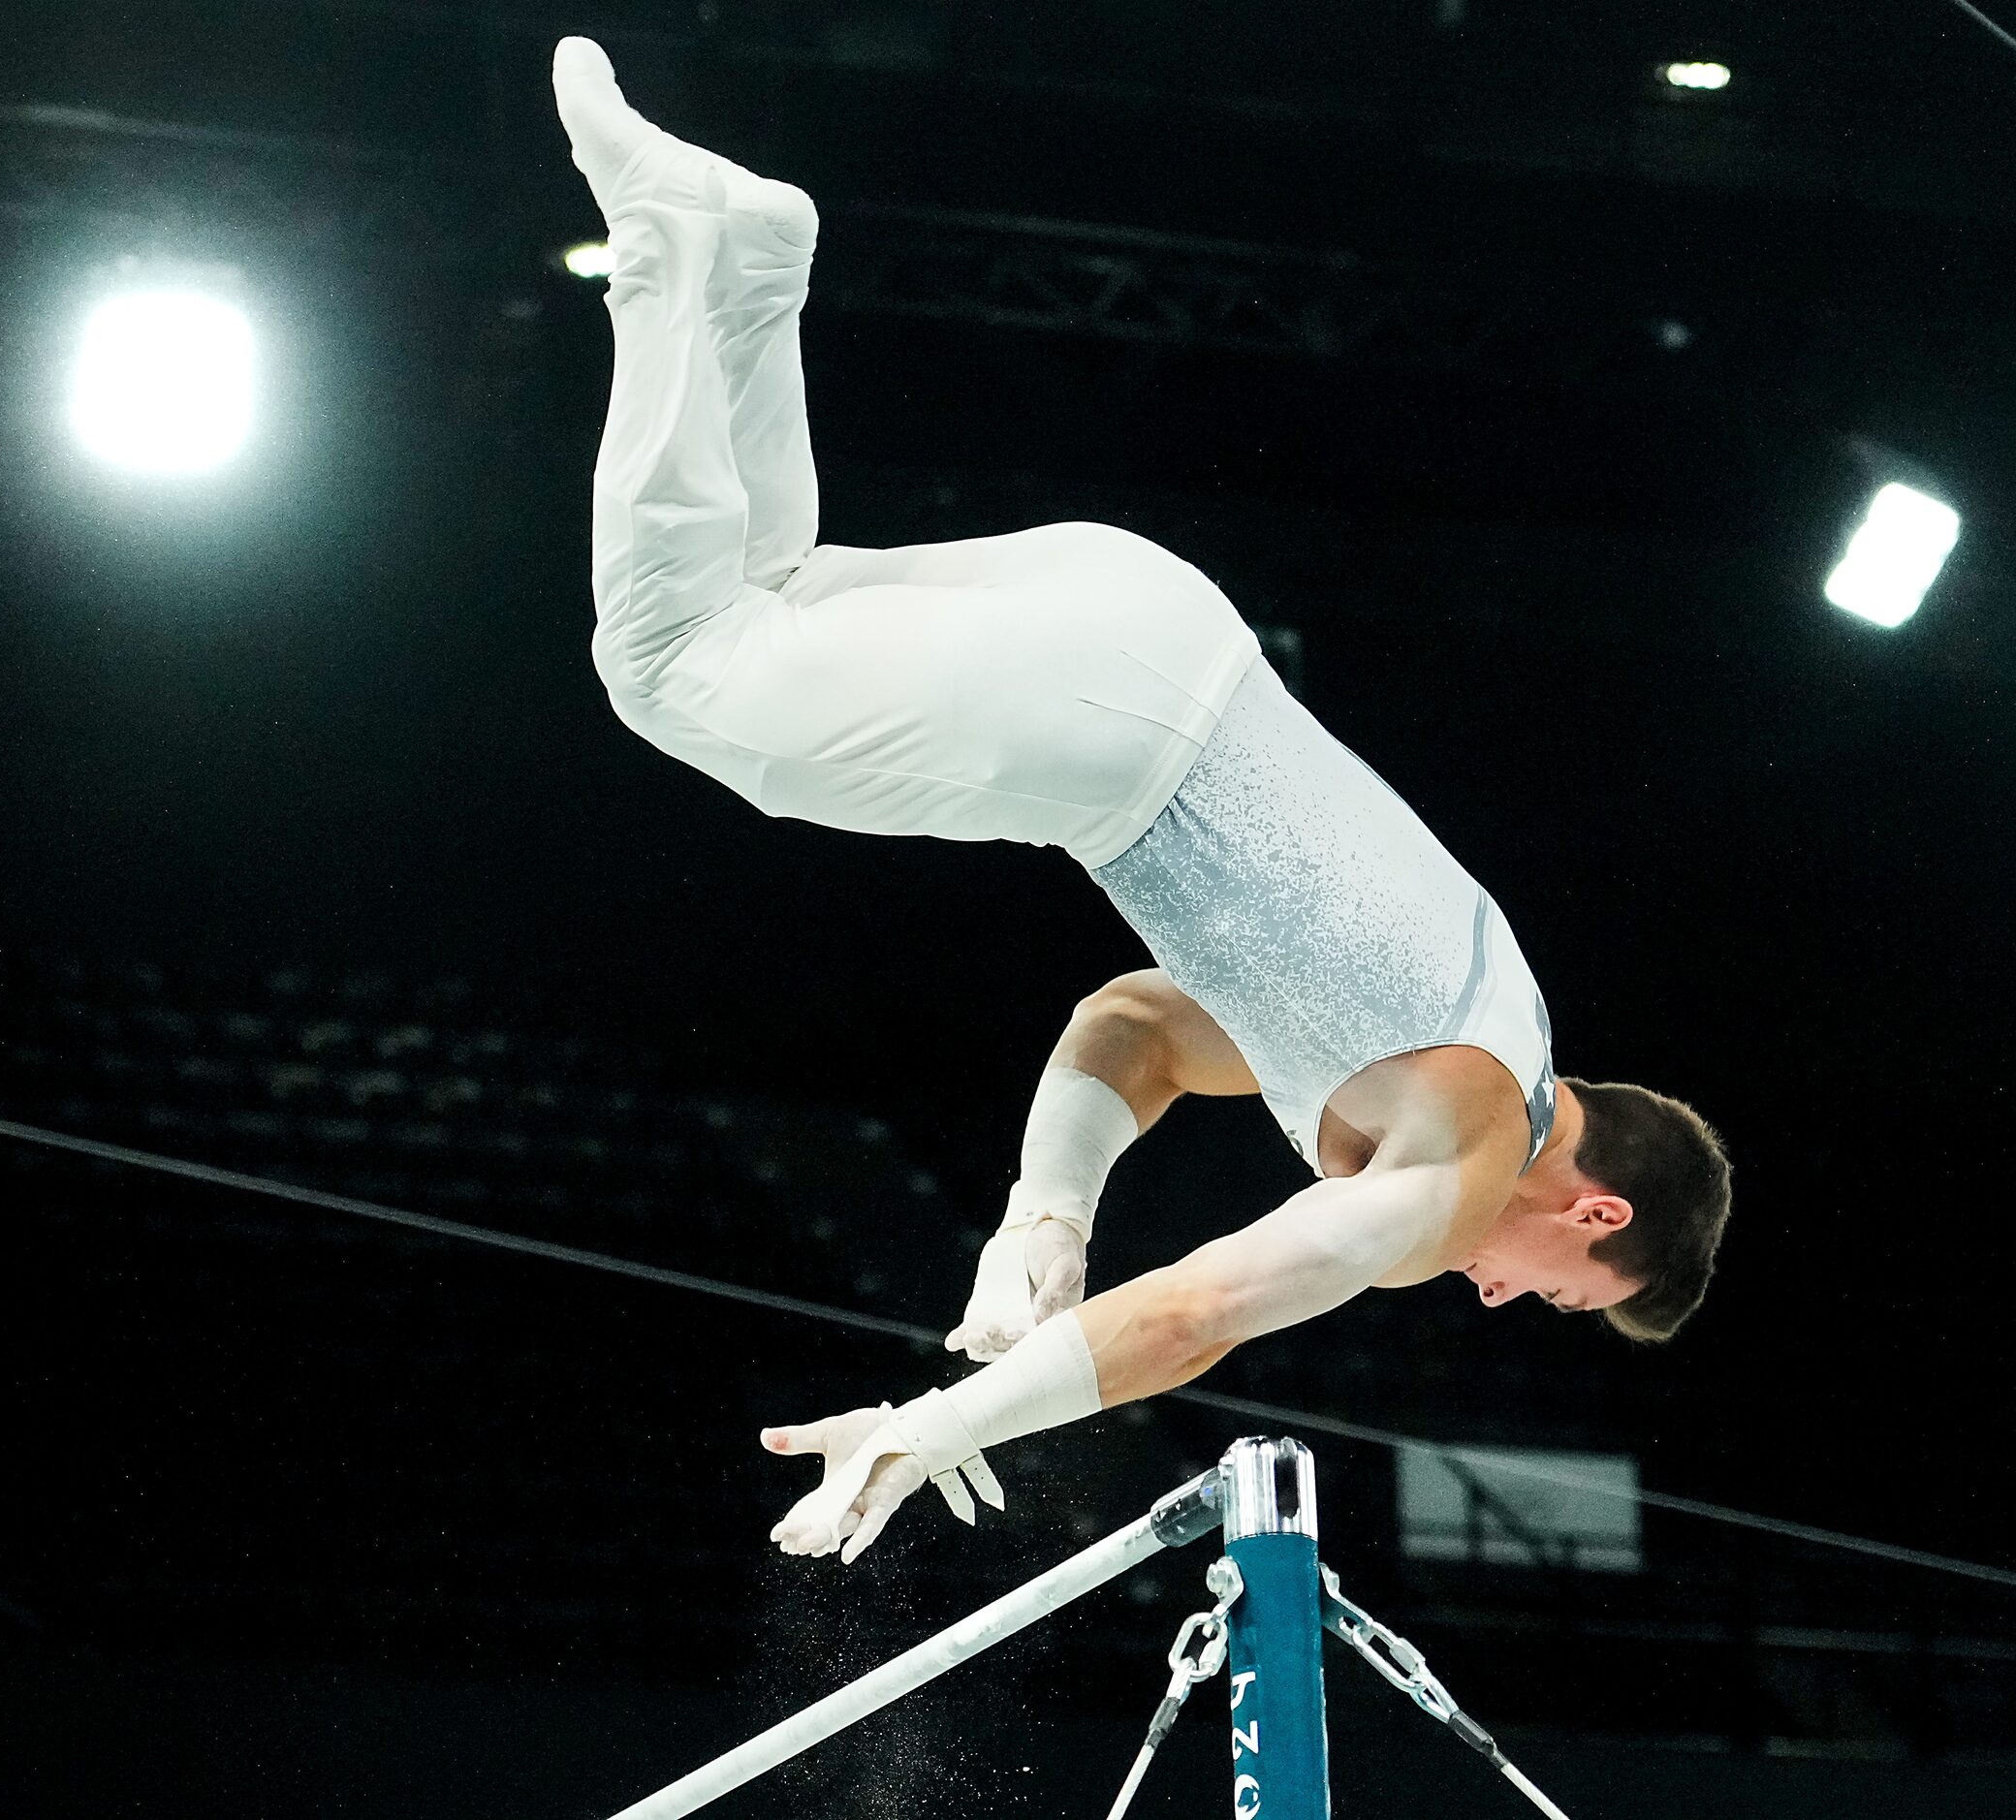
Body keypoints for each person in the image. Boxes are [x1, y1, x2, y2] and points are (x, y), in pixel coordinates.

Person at [551, 38, 1733, 1566]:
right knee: (663, 667)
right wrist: (937, 1427)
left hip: (1153, 618)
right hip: (1116, 740)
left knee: (760, 598)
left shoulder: (1461, 1023)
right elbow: (1203, 1312)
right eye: (1549, 1292)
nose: (1492, 1295)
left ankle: (753, 258)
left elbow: (1138, 1021)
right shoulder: (1463, 1166)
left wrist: (1046, 1214)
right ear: (1594, 1214)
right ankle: (656, 239)